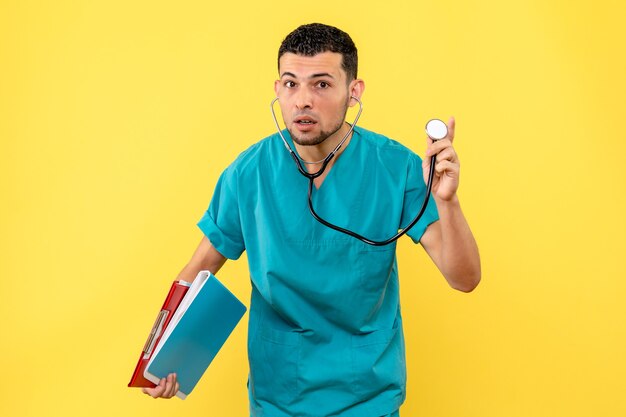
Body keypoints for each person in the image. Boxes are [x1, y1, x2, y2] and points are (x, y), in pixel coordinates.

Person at [142, 23, 481, 417]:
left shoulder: (396, 168)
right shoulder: (248, 173)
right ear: (277, 90)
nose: (302, 100)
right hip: (278, 395)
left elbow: (465, 278)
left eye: (321, 84)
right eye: (291, 84)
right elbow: (199, 269)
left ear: (353, 93)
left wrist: (448, 201)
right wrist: (159, 360)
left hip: (367, 396)